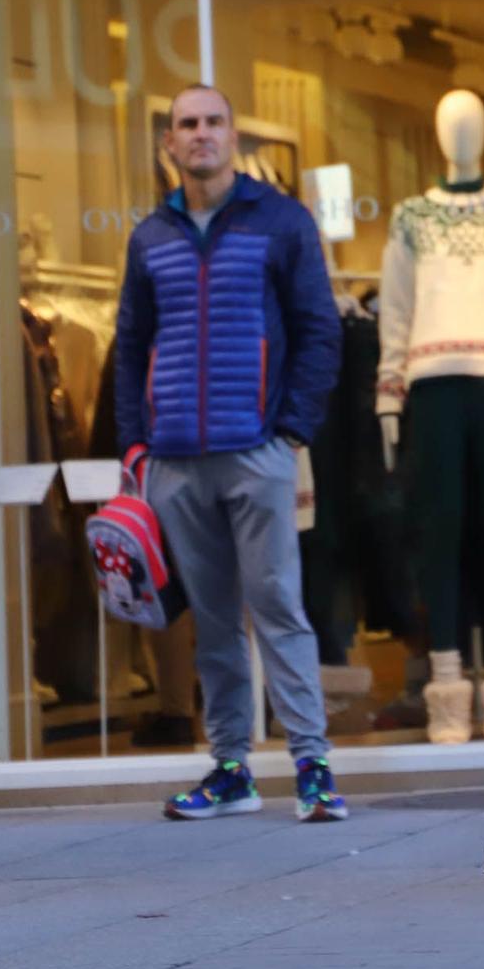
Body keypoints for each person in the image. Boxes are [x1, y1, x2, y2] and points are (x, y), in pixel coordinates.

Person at [113, 84, 348, 822]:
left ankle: (312, 765)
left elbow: (320, 330)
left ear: (233, 136)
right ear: (170, 144)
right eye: (188, 125)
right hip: (177, 461)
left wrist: (293, 431)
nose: (201, 135)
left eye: (214, 122)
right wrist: (137, 447)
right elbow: (129, 349)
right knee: (212, 619)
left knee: (278, 604)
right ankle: (231, 769)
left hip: (257, 451)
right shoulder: (151, 235)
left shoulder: (280, 222)